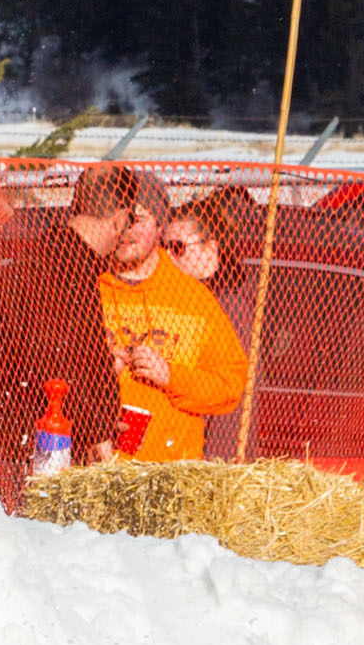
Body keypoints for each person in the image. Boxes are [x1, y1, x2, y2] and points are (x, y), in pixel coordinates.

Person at [0, 161, 139, 502]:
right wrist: (99, 430)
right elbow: (57, 364)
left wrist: (102, 372)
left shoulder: (29, 264)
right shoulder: (72, 274)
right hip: (47, 453)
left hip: (10, 440)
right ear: (119, 219)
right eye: (129, 223)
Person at [91, 172, 247, 462]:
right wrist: (99, 373)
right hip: (98, 473)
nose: (127, 231)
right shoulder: (88, 289)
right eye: (120, 220)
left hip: (173, 476)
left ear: (160, 224)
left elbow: (231, 386)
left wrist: (171, 377)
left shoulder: (192, 298)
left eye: (138, 220)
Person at [161, 192, 260, 461]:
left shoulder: (228, 307)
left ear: (210, 249)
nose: (168, 257)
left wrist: (214, 466)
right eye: (164, 247)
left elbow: (231, 404)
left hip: (217, 458)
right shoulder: (185, 300)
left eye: (178, 247)